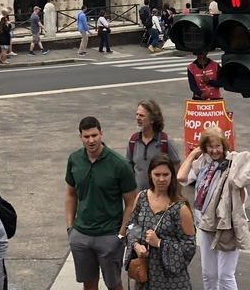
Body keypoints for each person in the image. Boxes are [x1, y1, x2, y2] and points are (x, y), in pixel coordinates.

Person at [65, 116, 137, 290]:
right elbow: (70, 194)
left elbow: (131, 203)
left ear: (101, 134)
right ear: (80, 137)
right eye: (87, 136)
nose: (91, 140)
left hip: (109, 235)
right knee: (88, 284)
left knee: (114, 284)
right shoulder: (74, 159)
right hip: (81, 234)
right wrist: (70, 228)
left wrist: (121, 234)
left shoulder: (119, 164)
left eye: (94, 135)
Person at [176, 126, 250, 290]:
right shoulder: (203, 163)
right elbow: (181, 177)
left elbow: (242, 194)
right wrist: (192, 154)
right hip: (206, 224)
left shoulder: (233, 163)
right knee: (209, 274)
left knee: (225, 276)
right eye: (210, 146)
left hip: (227, 226)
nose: (214, 150)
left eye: (218, 146)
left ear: (224, 145)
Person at [126, 154, 197, 290]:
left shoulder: (180, 208)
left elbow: (189, 247)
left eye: (166, 174)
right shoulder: (141, 198)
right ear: (150, 175)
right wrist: (136, 245)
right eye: (157, 174)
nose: (161, 179)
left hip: (171, 281)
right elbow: (131, 225)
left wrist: (159, 243)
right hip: (145, 276)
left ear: (172, 175)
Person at [127, 101, 182, 192]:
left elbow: (178, 173)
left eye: (142, 115)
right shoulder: (132, 141)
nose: (137, 118)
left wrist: (175, 198)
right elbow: (129, 173)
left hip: (162, 200)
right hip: (140, 200)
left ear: (152, 120)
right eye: (137, 114)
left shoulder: (166, 141)